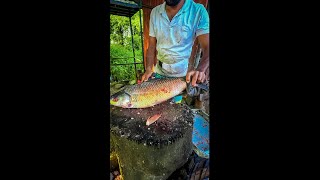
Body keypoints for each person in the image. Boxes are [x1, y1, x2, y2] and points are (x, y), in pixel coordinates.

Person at [140, 0, 209, 88]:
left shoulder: (197, 11)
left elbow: (207, 46)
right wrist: (149, 68)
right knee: (158, 99)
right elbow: (151, 46)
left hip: (182, 75)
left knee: (176, 101)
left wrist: (200, 70)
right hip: (160, 71)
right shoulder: (155, 12)